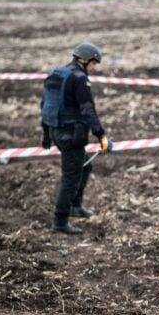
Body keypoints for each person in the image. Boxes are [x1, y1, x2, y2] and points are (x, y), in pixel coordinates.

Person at [40, 42, 113, 235]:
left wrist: (46, 133)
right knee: (70, 177)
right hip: (72, 134)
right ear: (84, 60)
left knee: (84, 165)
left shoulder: (57, 73)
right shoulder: (79, 78)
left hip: (57, 131)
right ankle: (60, 221)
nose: (93, 68)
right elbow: (87, 109)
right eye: (93, 64)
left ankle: (75, 206)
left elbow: (45, 105)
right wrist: (101, 135)